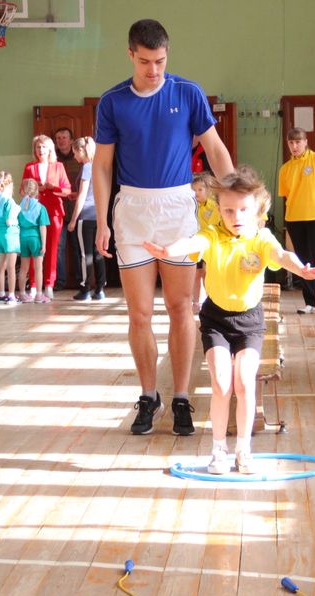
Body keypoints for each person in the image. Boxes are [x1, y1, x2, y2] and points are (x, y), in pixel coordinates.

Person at [93, 18, 234, 436]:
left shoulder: (187, 93)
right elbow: (102, 166)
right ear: (130, 54)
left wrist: (235, 202)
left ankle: (182, 398)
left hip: (177, 209)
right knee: (138, 314)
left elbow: (215, 149)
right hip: (132, 209)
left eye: (160, 60)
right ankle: (149, 395)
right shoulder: (112, 102)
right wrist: (101, 220)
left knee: (181, 309)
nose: (153, 69)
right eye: (145, 61)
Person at [142, 168, 315, 473]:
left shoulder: (261, 238)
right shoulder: (212, 235)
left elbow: (282, 256)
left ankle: (243, 449)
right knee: (221, 382)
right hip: (216, 319)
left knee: (243, 382)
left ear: (258, 210)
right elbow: (191, 244)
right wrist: (167, 251)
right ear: (219, 210)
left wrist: (303, 270)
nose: (235, 216)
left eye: (243, 209)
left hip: (250, 320)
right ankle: (218, 450)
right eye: (228, 210)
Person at [278, 127, 315, 315]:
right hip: (295, 218)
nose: (295, 146)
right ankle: (310, 301)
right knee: (303, 260)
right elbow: (288, 195)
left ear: (305, 142)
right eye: (291, 142)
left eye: (298, 142)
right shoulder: (286, 168)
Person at [21, 134, 71, 299]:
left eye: (44, 147)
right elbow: (22, 191)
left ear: (50, 149)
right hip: (33, 215)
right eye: (38, 147)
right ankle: (34, 286)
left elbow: (67, 190)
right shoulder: (30, 167)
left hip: (54, 213)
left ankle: (49, 284)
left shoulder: (58, 166)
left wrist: (53, 187)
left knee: (51, 249)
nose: (41, 150)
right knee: (36, 249)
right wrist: (36, 190)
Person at [69, 136, 106, 301]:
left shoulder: (86, 167)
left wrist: (73, 220)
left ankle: (85, 289)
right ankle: (100, 288)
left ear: (82, 151)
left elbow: (83, 195)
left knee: (86, 254)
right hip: (99, 215)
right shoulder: (100, 166)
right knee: (99, 252)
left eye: (75, 152)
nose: (74, 156)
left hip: (86, 216)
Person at [54, 127, 82, 290]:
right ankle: (60, 282)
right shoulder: (53, 162)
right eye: (58, 138)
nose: (61, 140)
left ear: (71, 140)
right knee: (58, 247)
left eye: (64, 137)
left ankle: (81, 281)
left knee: (79, 247)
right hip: (58, 211)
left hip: (78, 211)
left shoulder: (79, 160)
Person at [17, 179, 50, 303]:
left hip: (22, 239)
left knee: (23, 268)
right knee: (38, 268)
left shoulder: (18, 208)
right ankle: (39, 295)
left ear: (22, 191)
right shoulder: (41, 208)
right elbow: (43, 227)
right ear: (37, 192)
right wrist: (44, 244)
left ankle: (22, 294)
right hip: (35, 239)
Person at [191, 171, 219, 313]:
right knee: (196, 274)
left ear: (208, 190)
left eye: (200, 189)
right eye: (193, 190)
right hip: (195, 245)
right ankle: (196, 302)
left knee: (208, 274)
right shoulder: (190, 206)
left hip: (209, 245)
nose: (196, 193)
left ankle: (211, 301)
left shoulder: (214, 206)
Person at [0, 171, 20, 305]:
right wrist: (17, 218)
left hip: (0, 234)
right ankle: (12, 295)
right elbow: (9, 221)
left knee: (0, 267)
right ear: (10, 184)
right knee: (11, 267)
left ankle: (1, 293)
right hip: (11, 235)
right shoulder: (9, 200)